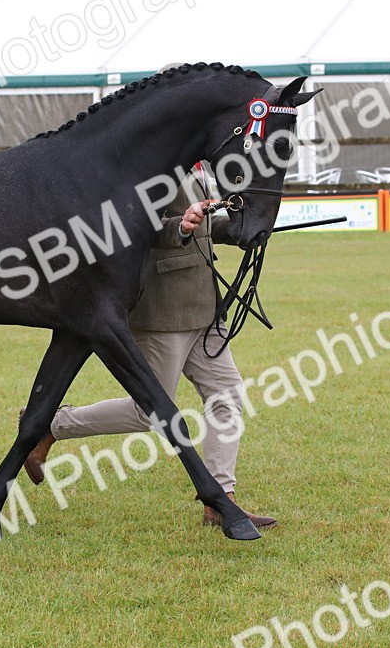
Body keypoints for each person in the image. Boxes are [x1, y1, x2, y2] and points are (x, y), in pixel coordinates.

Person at [22, 168, 277, 530]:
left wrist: (239, 230)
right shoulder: (156, 163)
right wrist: (178, 226)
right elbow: (134, 224)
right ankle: (53, 424)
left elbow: (202, 227)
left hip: (205, 306)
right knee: (149, 413)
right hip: (163, 307)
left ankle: (221, 499)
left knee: (227, 394)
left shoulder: (201, 164)